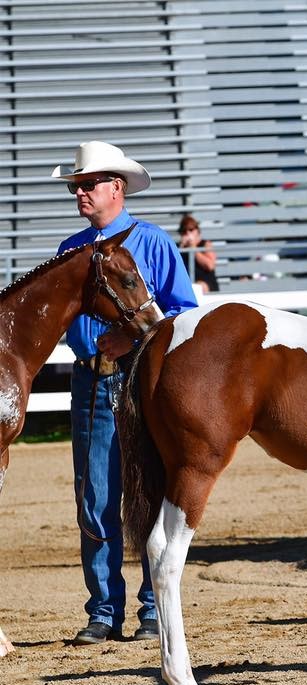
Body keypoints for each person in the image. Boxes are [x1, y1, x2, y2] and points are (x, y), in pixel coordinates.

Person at [51, 141, 198, 645]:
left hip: (141, 382)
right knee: (95, 497)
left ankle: (153, 606)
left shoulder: (154, 243)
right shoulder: (69, 251)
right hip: (91, 379)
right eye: (77, 186)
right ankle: (104, 609)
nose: (80, 192)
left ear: (117, 187)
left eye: (89, 184)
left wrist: (133, 337)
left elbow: (184, 313)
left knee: (149, 492)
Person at [178, 213, 219, 293]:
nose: (188, 233)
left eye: (191, 230)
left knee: (199, 287)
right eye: (184, 231)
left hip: (206, 283)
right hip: (186, 284)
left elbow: (210, 265)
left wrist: (193, 249)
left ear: (197, 230)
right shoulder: (179, 248)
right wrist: (181, 250)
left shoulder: (205, 244)